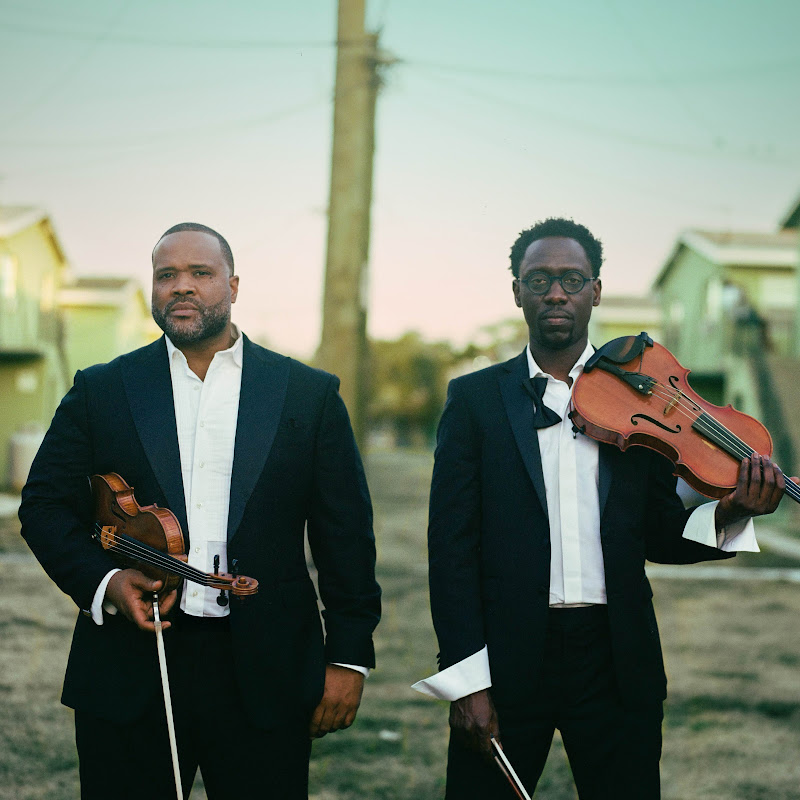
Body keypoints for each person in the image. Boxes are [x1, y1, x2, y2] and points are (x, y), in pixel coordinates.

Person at [413, 217, 786, 799]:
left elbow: (660, 534)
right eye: (538, 280)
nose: (555, 293)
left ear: (596, 290)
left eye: (571, 279)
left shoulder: (647, 401)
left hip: (616, 659)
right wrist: (466, 684)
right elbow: (451, 549)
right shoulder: (474, 400)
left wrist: (734, 508)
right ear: (516, 291)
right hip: (508, 660)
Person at [20, 223, 381, 799]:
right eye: (167, 276)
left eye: (200, 274)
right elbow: (42, 506)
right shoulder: (101, 389)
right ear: (153, 289)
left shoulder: (307, 395)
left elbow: (347, 537)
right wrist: (106, 581)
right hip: (132, 667)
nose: (181, 287)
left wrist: (348, 659)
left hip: (265, 668)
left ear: (233, 286)